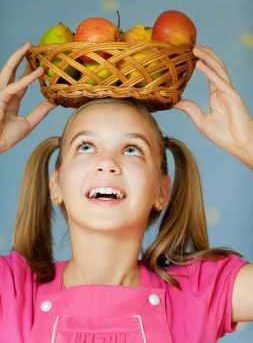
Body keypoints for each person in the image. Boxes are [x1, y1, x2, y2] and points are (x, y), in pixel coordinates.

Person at [0, 41, 252, 342]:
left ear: (162, 191)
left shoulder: (201, 291)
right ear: (57, 185)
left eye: (132, 149)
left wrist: (248, 145)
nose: (107, 163)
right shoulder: (11, 290)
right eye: (86, 146)